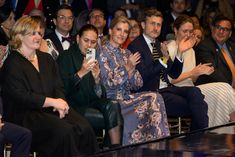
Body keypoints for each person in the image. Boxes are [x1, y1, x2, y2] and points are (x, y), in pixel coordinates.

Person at [1, 16, 98, 157]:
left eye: (40, 33)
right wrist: (53, 102)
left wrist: (61, 103)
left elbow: (58, 87)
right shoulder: (12, 62)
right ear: (20, 36)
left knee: (85, 127)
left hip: (51, 108)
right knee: (64, 131)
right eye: (32, 33)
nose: (38, 37)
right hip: (25, 114)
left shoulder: (46, 58)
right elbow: (21, 96)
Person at [128, 8, 208, 131]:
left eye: (158, 24)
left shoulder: (159, 45)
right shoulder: (135, 45)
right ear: (143, 25)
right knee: (199, 106)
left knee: (195, 92)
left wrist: (180, 52)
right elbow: (143, 75)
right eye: (152, 23)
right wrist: (163, 60)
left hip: (167, 89)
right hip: (151, 92)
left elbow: (174, 73)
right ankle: (199, 137)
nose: (156, 28)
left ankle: (197, 137)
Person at [97, 16, 170, 146]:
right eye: (119, 30)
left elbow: (137, 83)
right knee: (153, 98)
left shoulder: (126, 53)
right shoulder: (102, 52)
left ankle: (158, 143)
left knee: (155, 96)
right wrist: (127, 68)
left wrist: (130, 72)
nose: (122, 34)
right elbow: (108, 82)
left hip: (127, 97)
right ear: (110, 31)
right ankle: (139, 145)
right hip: (111, 100)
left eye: (125, 31)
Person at [57, 24, 123, 146]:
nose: (89, 45)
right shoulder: (65, 56)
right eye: (86, 40)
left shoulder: (93, 58)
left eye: (93, 42)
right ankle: (112, 150)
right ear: (78, 39)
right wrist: (81, 73)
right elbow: (62, 88)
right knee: (114, 119)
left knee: (114, 105)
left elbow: (100, 95)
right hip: (72, 106)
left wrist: (97, 79)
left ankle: (113, 149)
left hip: (91, 102)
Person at [167, 14, 235, 127]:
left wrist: (199, 72)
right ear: (175, 30)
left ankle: (218, 130)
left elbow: (192, 79)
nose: (188, 35)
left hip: (192, 89)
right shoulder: (170, 48)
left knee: (224, 88)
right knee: (224, 88)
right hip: (177, 90)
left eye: (191, 31)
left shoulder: (191, 51)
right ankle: (217, 131)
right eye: (185, 31)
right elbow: (170, 80)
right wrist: (193, 73)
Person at [195, 15, 235, 90]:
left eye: (225, 29)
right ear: (212, 29)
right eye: (218, 27)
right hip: (218, 89)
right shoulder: (204, 46)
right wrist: (230, 89)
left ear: (230, 34)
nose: (221, 31)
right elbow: (214, 72)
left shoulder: (232, 46)